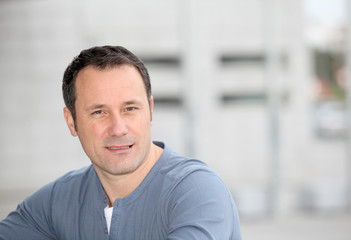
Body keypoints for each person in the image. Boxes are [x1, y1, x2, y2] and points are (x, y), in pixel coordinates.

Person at [0, 46, 241, 239]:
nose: (118, 129)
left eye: (130, 108)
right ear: (71, 121)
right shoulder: (57, 201)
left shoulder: (196, 190)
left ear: (150, 111)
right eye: (99, 112)